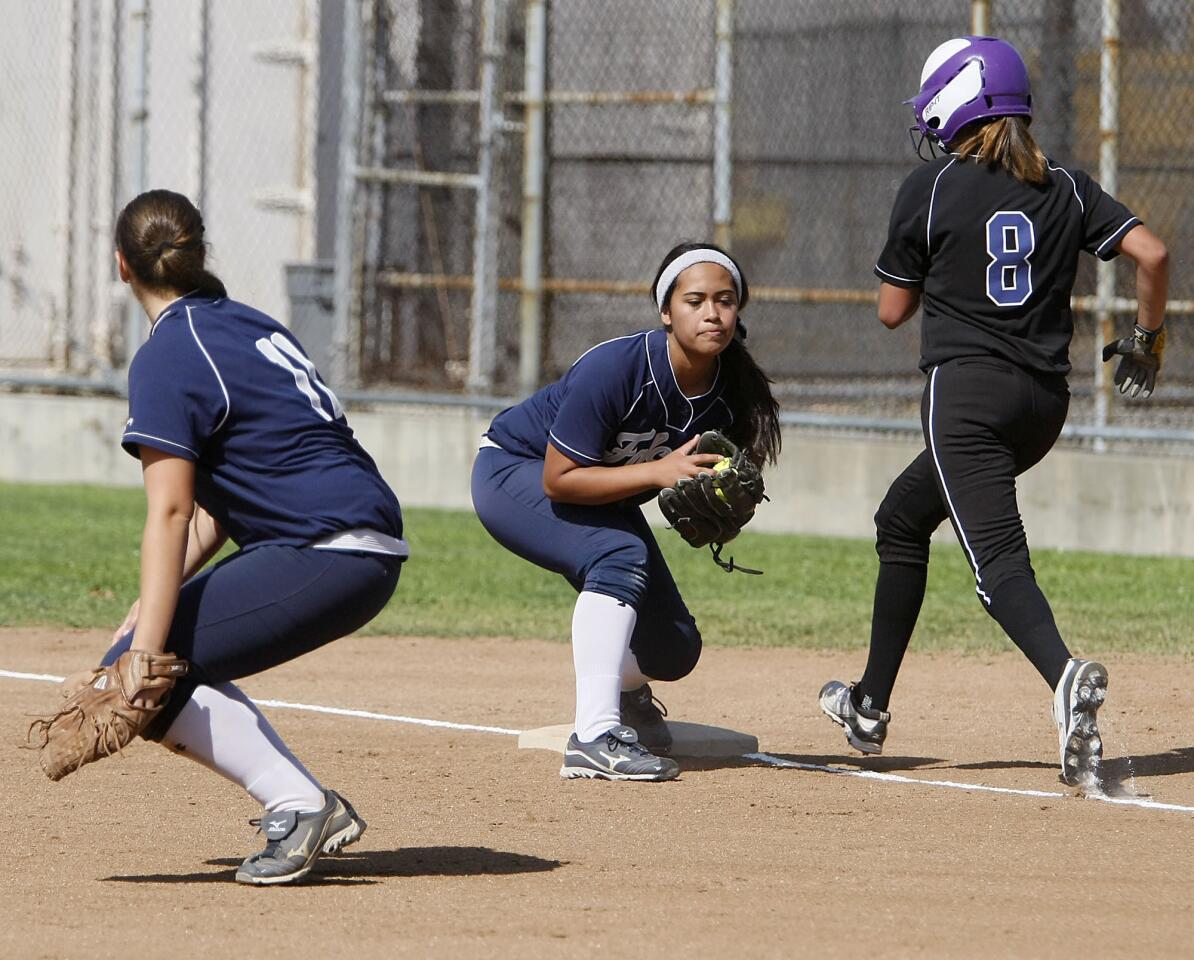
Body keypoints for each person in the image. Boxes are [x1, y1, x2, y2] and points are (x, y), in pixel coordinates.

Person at [817, 36, 1169, 787]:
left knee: (996, 565)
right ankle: (868, 705)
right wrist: (1146, 338)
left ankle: (1066, 677)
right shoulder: (1068, 186)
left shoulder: (932, 186)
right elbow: (1154, 255)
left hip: (965, 398)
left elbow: (890, 310)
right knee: (902, 518)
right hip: (1043, 406)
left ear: (956, 103)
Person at [101, 189, 407, 883]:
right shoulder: (249, 326)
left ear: (123, 267)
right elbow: (218, 507)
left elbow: (171, 513)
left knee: (143, 674)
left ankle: (300, 804)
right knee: (145, 648)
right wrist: (154, 610)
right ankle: (302, 802)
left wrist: (143, 650)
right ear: (200, 255)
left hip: (324, 547)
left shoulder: (170, 354)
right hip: (358, 542)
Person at [471, 242, 781, 781]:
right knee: (619, 551)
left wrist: (718, 504)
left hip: (603, 490)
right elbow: (559, 480)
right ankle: (593, 735)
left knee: (673, 648)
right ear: (666, 311)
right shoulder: (618, 366)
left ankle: (630, 697)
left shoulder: (728, 395)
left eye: (726, 300)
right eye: (695, 300)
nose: (712, 313)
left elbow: (701, 477)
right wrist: (658, 474)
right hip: (511, 472)